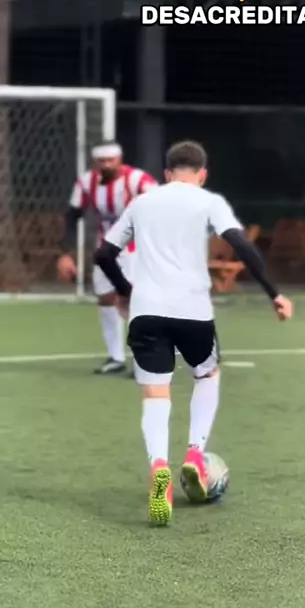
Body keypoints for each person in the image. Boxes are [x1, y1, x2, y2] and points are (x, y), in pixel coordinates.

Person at [94, 140, 293, 526]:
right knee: (207, 375)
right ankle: (194, 454)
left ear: (167, 173)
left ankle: (159, 467)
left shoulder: (142, 202)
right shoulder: (209, 201)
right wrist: (275, 293)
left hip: (147, 311)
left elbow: (103, 254)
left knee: (156, 394)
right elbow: (242, 246)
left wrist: (125, 290)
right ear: (202, 174)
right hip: (193, 312)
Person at [57, 141, 157, 374]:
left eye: (111, 160)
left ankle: (145, 360)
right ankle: (115, 357)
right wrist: (65, 253)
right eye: (102, 161)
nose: (107, 165)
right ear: (95, 162)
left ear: (120, 160)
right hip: (106, 250)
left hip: (136, 249)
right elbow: (72, 216)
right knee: (105, 298)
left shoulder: (139, 180)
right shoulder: (87, 182)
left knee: (134, 300)